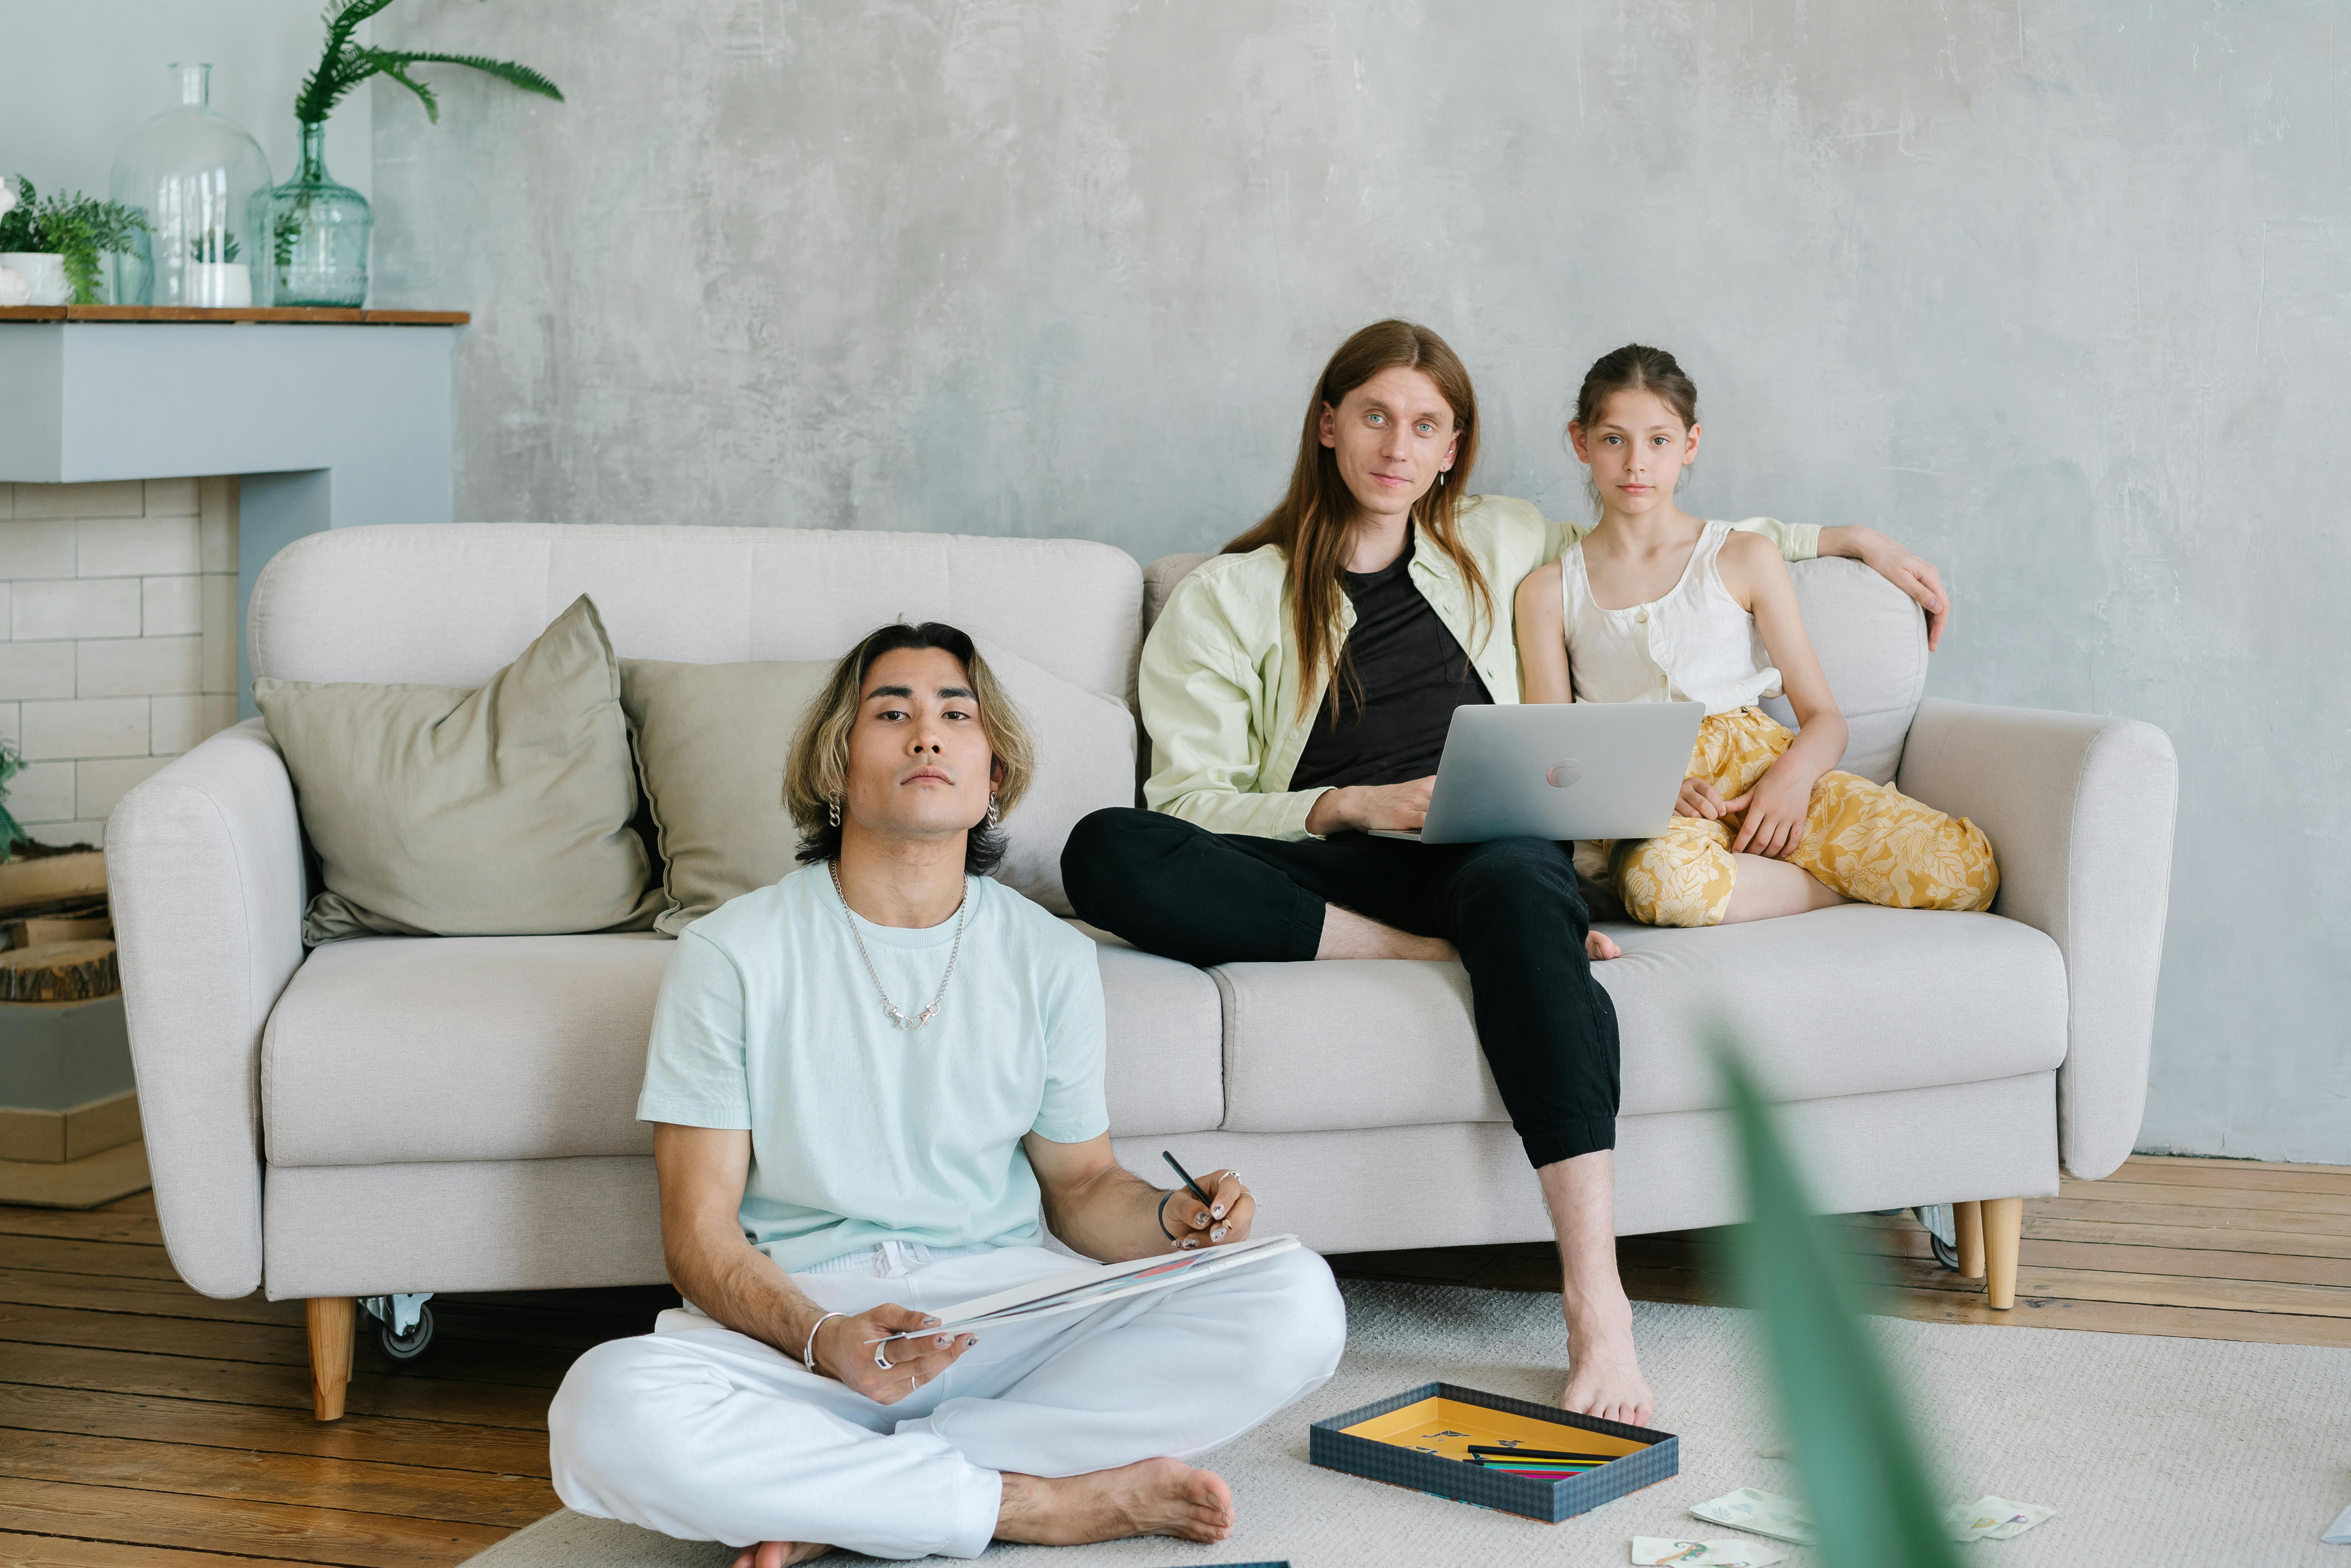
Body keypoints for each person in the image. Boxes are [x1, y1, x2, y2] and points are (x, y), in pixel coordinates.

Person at [1058, 319, 1954, 1429]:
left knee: (1524, 884)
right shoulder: (1229, 595)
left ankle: (1597, 1305)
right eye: (1376, 415)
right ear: (1329, 425)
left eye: (1427, 425)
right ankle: (1429, 953)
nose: (1398, 444)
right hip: (1318, 863)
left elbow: (1663, 522)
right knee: (1104, 845)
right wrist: (1347, 803)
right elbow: (1186, 800)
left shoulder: (1502, 538)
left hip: (1480, 848)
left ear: (1453, 448)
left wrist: (1847, 536)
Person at [549, 621, 1346, 1567]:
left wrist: (1175, 1219)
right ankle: (1029, 1502)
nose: (926, 735)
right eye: (892, 713)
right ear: (836, 767)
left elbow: (1084, 1190)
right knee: (603, 1409)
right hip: (807, 1327)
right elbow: (699, 1235)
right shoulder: (731, 954)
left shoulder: (1051, 957)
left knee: (1297, 1300)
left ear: (992, 774)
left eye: (954, 714)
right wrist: (819, 1338)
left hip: (1003, 1314)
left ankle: (847, 1498)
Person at [1515, 344, 1998, 928]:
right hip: (1652, 801)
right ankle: (1827, 888)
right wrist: (1644, 785)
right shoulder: (1548, 591)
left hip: (1765, 769)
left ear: (1690, 444)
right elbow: (1555, 752)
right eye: (1614, 439)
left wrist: (1790, 784)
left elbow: (1824, 717)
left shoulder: (1744, 557)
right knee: (1661, 886)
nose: (1636, 463)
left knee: (1966, 873)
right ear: (1580, 441)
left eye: (1659, 441)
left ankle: (1783, 875)